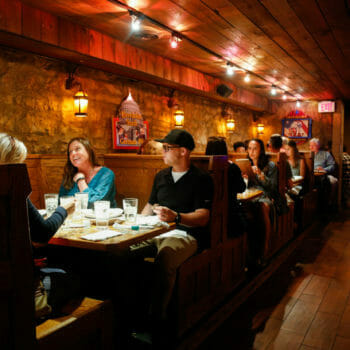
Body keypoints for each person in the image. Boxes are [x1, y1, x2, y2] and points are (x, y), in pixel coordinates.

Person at [135, 129, 213, 333]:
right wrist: (135, 226)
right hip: (155, 230)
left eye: (167, 148)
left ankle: (156, 320)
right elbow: (150, 205)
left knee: (166, 257)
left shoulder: (201, 178)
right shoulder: (161, 176)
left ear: (183, 152)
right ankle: (131, 312)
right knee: (125, 252)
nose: (163, 152)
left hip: (186, 234)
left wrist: (176, 217)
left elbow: (203, 217)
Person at [0, 133, 79, 318]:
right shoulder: (9, 190)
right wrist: (64, 209)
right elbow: (42, 233)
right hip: (19, 298)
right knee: (80, 279)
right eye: (20, 162)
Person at [59, 137, 117, 208]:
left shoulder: (106, 174)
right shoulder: (69, 176)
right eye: (70, 152)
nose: (73, 153)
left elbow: (95, 204)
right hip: (75, 218)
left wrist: (80, 180)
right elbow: (61, 203)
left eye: (77, 149)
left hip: (103, 218)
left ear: (89, 151)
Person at [206, 137, 246, 235]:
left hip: (207, 221)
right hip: (231, 219)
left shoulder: (201, 168)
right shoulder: (232, 168)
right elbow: (242, 188)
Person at [309, 138, 338, 211]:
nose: (311, 147)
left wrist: (324, 169)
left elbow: (332, 165)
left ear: (318, 146)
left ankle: (325, 205)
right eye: (310, 145)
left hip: (322, 175)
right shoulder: (307, 155)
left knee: (330, 182)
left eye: (313, 145)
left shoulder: (326, 154)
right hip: (310, 176)